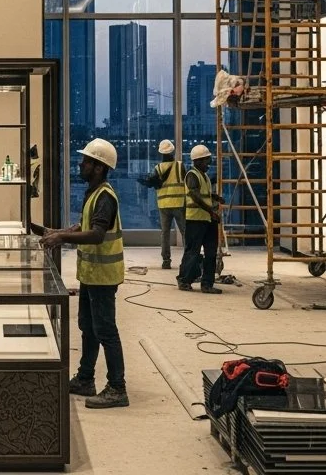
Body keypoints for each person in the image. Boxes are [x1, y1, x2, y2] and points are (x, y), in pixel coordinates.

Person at [43, 138, 128, 409]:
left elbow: (98, 234)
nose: (81, 164)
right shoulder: (93, 192)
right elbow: (87, 224)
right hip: (91, 274)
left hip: (103, 276)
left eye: (86, 161)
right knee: (88, 328)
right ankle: (85, 378)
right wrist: (64, 231)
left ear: (99, 167)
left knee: (105, 330)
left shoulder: (105, 196)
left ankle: (117, 388)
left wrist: (63, 239)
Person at [178, 145, 224, 294]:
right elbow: (195, 196)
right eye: (206, 160)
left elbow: (203, 194)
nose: (208, 163)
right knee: (193, 251)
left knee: (211, 252)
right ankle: (184, 280)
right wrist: (211, 211)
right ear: (197, 161)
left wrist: (214, 197)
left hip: (207, 220)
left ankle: (207, 284)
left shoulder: (203, 176)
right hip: (196, 220)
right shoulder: (192, 175)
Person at [139, 139, 186, 269]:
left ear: (161, 153)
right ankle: (189, 258)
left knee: (165, 233)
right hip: (178, 203)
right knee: (184, 232)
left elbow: (152, 183)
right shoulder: (179, 166)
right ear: (173, 152)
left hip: (164, 205)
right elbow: (187, 182)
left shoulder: (158, 168)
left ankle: (166, 261)